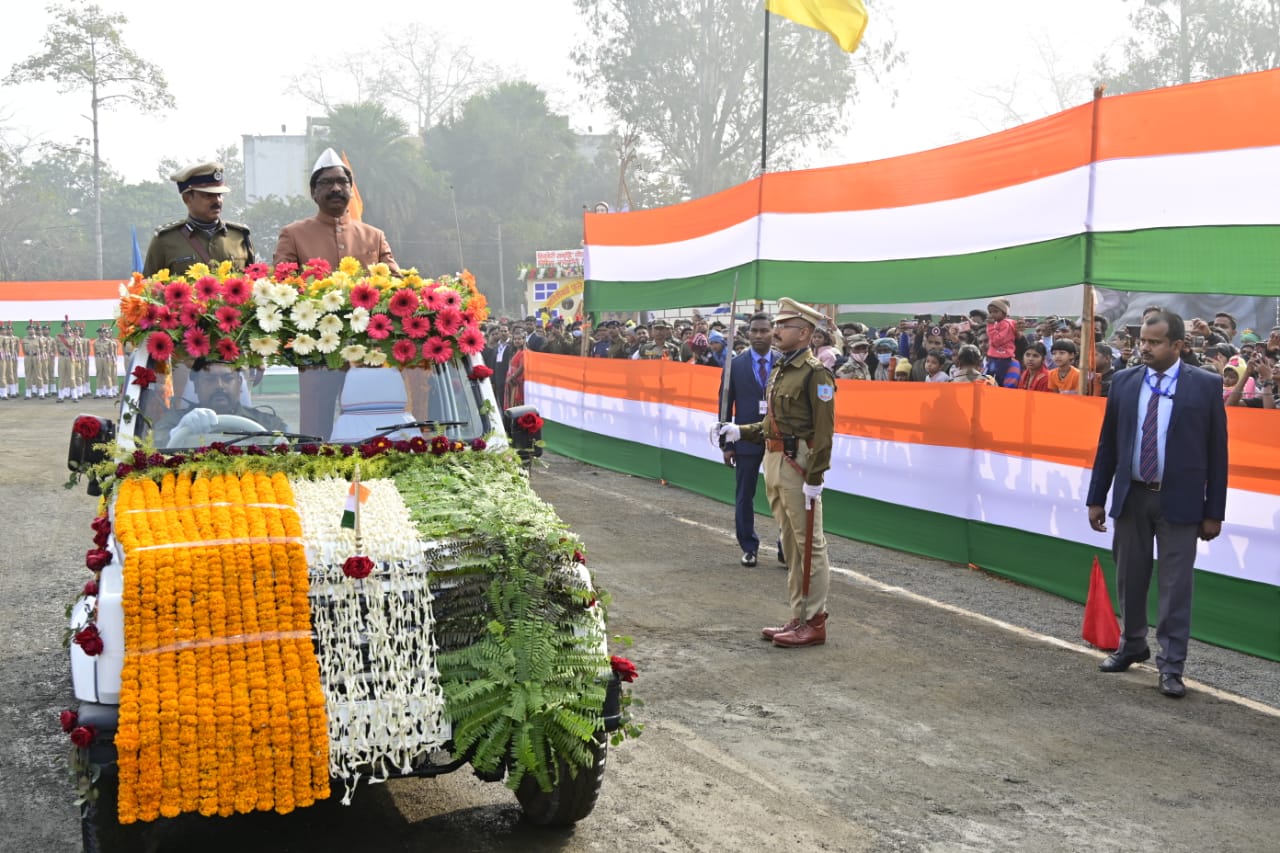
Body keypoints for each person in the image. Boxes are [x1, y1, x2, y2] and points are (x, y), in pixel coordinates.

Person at [1086, 310, 1228, 699]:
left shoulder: (1206, 386)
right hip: (1131, 497)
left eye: (1153, 342)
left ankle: (1171, 666)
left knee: (1175, 587)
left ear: (1177, 345)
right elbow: (1107, 445)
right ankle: (1132, 645)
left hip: (1180, 503)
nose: (1143, 348)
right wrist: (1096, 498)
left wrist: (1214, 511)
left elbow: (1218, 454)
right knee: (1130, 577)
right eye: (1141, 341)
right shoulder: (1125, 382)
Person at [718, 298, 835, 649]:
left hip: (798, 463)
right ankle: (798, 615)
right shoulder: (784, 368)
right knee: (792, 544)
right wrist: (742, 431)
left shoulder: (816, 373)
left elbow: (824, 432)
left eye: (784, 325)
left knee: (809, 544)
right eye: (777, 325)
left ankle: (814, 620)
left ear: (804, 333)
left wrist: (815, 478)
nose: (776, 331)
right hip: (775, 458)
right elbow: (773, 423)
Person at [274, 148, 400, 273]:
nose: (336, 189)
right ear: (313, 192)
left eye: (342, 182)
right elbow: (282, 283)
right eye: (326, 182)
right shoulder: (293, 236)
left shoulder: (375, 237)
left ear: (351, 190)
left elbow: (396, 284)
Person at [722, 313, 775, 567]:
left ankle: (785, 549)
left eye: (764, 330)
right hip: (745, 439)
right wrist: (727, 444)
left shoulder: (785, 363)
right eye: (754, 331)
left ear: (773, 332)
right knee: (745, 495)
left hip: (779, 439)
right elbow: (725, 407)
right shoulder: (735, 365)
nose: (759, 335)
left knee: (784, 496)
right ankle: (749, 547)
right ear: (748, 333)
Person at [143, 162, 255, 277]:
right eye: (208, 195)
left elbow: (252, 283)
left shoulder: (239, 236)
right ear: (187, 198)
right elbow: (149, 287)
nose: (217, 201)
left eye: (219, 195)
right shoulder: (165, 240)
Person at [153, 359, 287, 448]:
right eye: (210, 379)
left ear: (239, 384)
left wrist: (280, 444)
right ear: (196, 387)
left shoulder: (267, 423)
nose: (219, 386)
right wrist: (177, 431)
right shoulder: (174, 421)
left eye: (228, 379)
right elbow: (150, 446)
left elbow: (296, 450)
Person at [504, 325, 527, 410]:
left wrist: (512, 377)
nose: (517, 341)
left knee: (517, 405)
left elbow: (522, 367)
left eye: (519, 339)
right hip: (512, 382)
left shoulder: (524, 352)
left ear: (524, 340)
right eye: (515, 339)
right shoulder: (517, 351)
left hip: (518, 382)